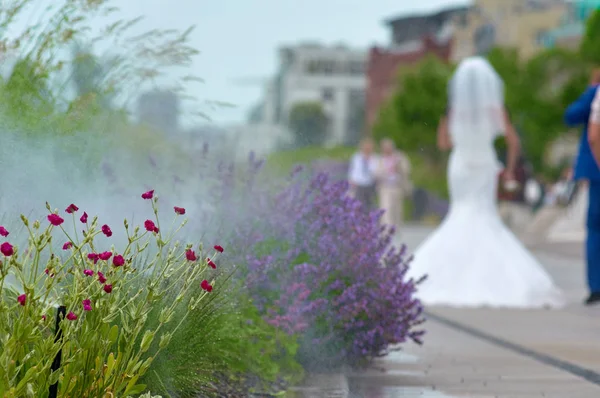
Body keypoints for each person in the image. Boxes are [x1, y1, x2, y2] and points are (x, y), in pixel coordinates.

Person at [406, 57, 563, 308]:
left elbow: (443, 144)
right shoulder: (494, 110)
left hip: (461, 167)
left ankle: (447, 274)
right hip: (484, 166)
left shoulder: (454, 111)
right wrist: (510, 170)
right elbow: (514, 142)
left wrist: (444, 120)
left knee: (459, 215)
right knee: (483, 216)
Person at [564, 69, 600, 305]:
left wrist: (592, 89)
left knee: (596, 227)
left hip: (597, 170)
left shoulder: (596, 94)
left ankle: (596, 285)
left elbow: (573, 117)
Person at [376, 138, 412, 230]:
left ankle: (396, 228)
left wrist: (398, 167)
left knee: (397, 209)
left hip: (397, 186)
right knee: (385, 208)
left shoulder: (399, 157)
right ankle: (386, 229)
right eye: (384, 148)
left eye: (388, 147)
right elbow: (376, 173)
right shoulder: (380, 159)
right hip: (385, 187)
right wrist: (385, 173)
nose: (386, 149)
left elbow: (407, 170)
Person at [348, 137, 378, 209]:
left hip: (370, 183)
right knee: (358, 204)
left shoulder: (375, 157)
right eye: (366, 146)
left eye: (369, 146)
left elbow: (376, 170)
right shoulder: (356, 157)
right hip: (359, 183)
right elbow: (352, 170)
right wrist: (351, 180)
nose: (367, 148)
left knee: (369, 204)